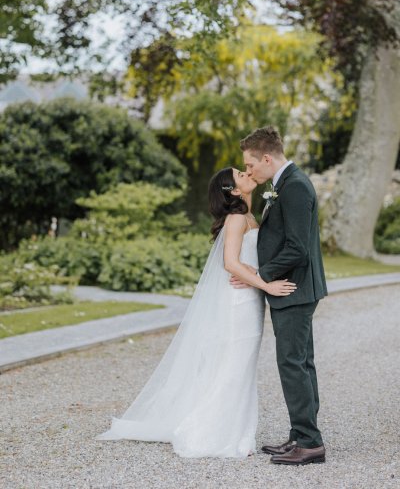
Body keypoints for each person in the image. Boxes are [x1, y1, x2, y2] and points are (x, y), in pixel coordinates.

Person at [96, 166, 295, 458]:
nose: (247, 173)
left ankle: (239, 433)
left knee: (241, 366)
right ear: (235, 191)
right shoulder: (238, 218)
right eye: (241, 174)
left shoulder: (249, 216)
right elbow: (230, 263)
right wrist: (267, 285)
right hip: (238, 302)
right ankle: (208, 434)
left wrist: (256, 273)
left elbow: (244, 260)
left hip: (248, 298)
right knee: (234, 366)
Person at [232, 125, 328, 466]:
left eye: (251, 164)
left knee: (292, 363)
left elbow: (298, 249)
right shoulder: (285, 184)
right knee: (301, 361)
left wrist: (261, 275)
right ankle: (300, 435)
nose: (249, 171)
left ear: (268, 157)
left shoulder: (295, 186)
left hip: (293, 287)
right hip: (295, 287)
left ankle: (310, 442)